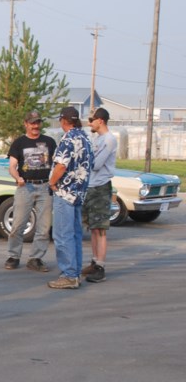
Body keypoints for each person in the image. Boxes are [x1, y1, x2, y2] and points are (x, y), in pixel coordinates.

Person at [4, 110, 57, 272]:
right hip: (25, 187)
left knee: (44, 226)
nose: (35, 126)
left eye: (38, 122)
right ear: (26, 124)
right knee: (18, 224)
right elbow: (12, 166)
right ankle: (13, 256)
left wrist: (54, 181)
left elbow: (57, 163)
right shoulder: (19, 143)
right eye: (32, 123)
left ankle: (36, 258)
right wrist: (17, 177)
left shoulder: (49, 142)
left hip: (45, 187)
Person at [47, 106, 92, 289]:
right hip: (79, 193)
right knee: (75, 235)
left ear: (63, 120)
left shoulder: (68, 139)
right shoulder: (84, 138)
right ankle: (75, 271)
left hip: (65, 192)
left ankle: (69, 275)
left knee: (62, 235)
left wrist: (52, 182)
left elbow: (61, 166)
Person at [81, 107, 117, 283]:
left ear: (100, 120)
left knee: (100, 228)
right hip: (90, 185)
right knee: (93, 227)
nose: (90, 123)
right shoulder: (97, 139)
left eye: (91, 120)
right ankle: (94, 261)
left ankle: (101, 266)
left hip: (101, 187)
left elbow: (96, 164)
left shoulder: (109, 140)